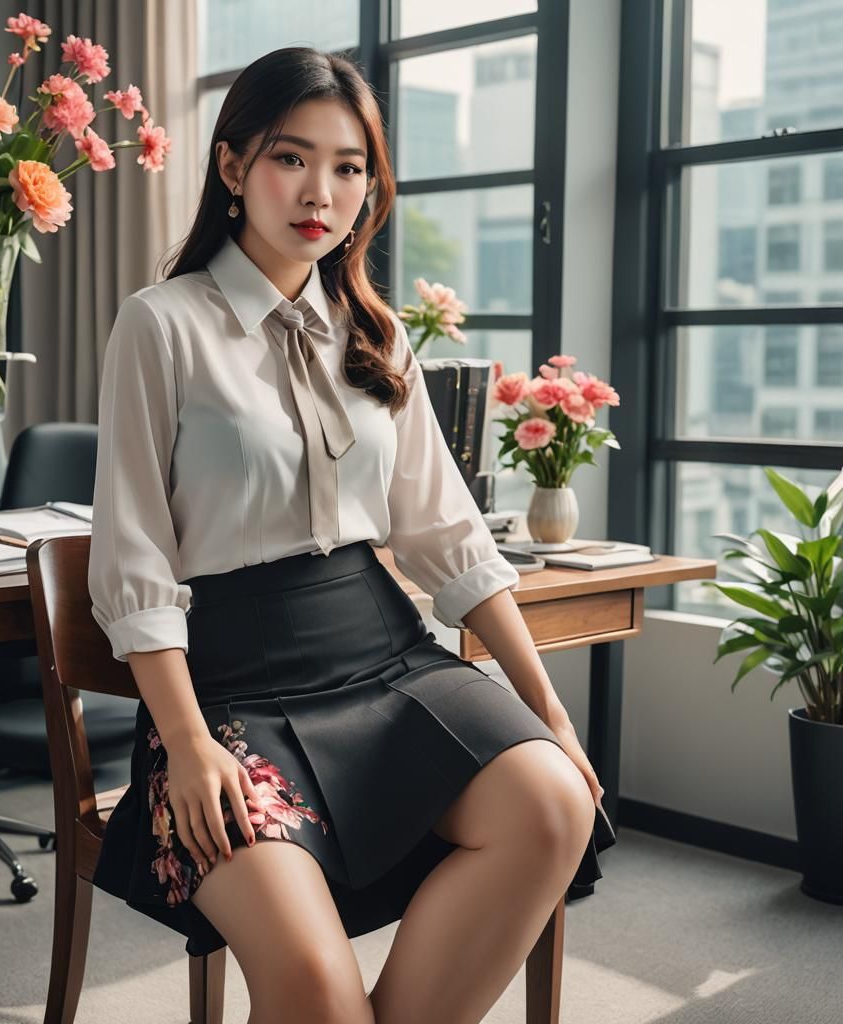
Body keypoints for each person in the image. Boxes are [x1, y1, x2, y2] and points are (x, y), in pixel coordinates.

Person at [88, 45, 615, 1024]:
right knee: (317, 996)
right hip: (225, 691)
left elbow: (447, 533)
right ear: (233, 165)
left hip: (384, 656)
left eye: (348, 167)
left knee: (553, 800)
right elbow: (133, 559)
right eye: (291, 158)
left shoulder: (375, 330)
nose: (319, 193)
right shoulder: (160, 325)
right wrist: (188, 743)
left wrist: (547, 706)